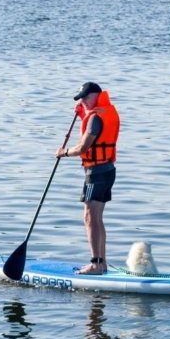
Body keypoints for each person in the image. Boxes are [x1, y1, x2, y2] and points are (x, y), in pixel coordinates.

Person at [56, 82, 120, 275]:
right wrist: (84, 112)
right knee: (97, 218)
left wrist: (64, 152)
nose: (83, 101)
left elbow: (84, 147)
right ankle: (102, 263)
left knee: (89, 217)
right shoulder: (106, 111)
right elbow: (98, 129)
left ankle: (95, 264)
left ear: (97, 96)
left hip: (96, 173)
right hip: (108, 170)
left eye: (86, 97)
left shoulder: (95, 117)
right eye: (80, 98)